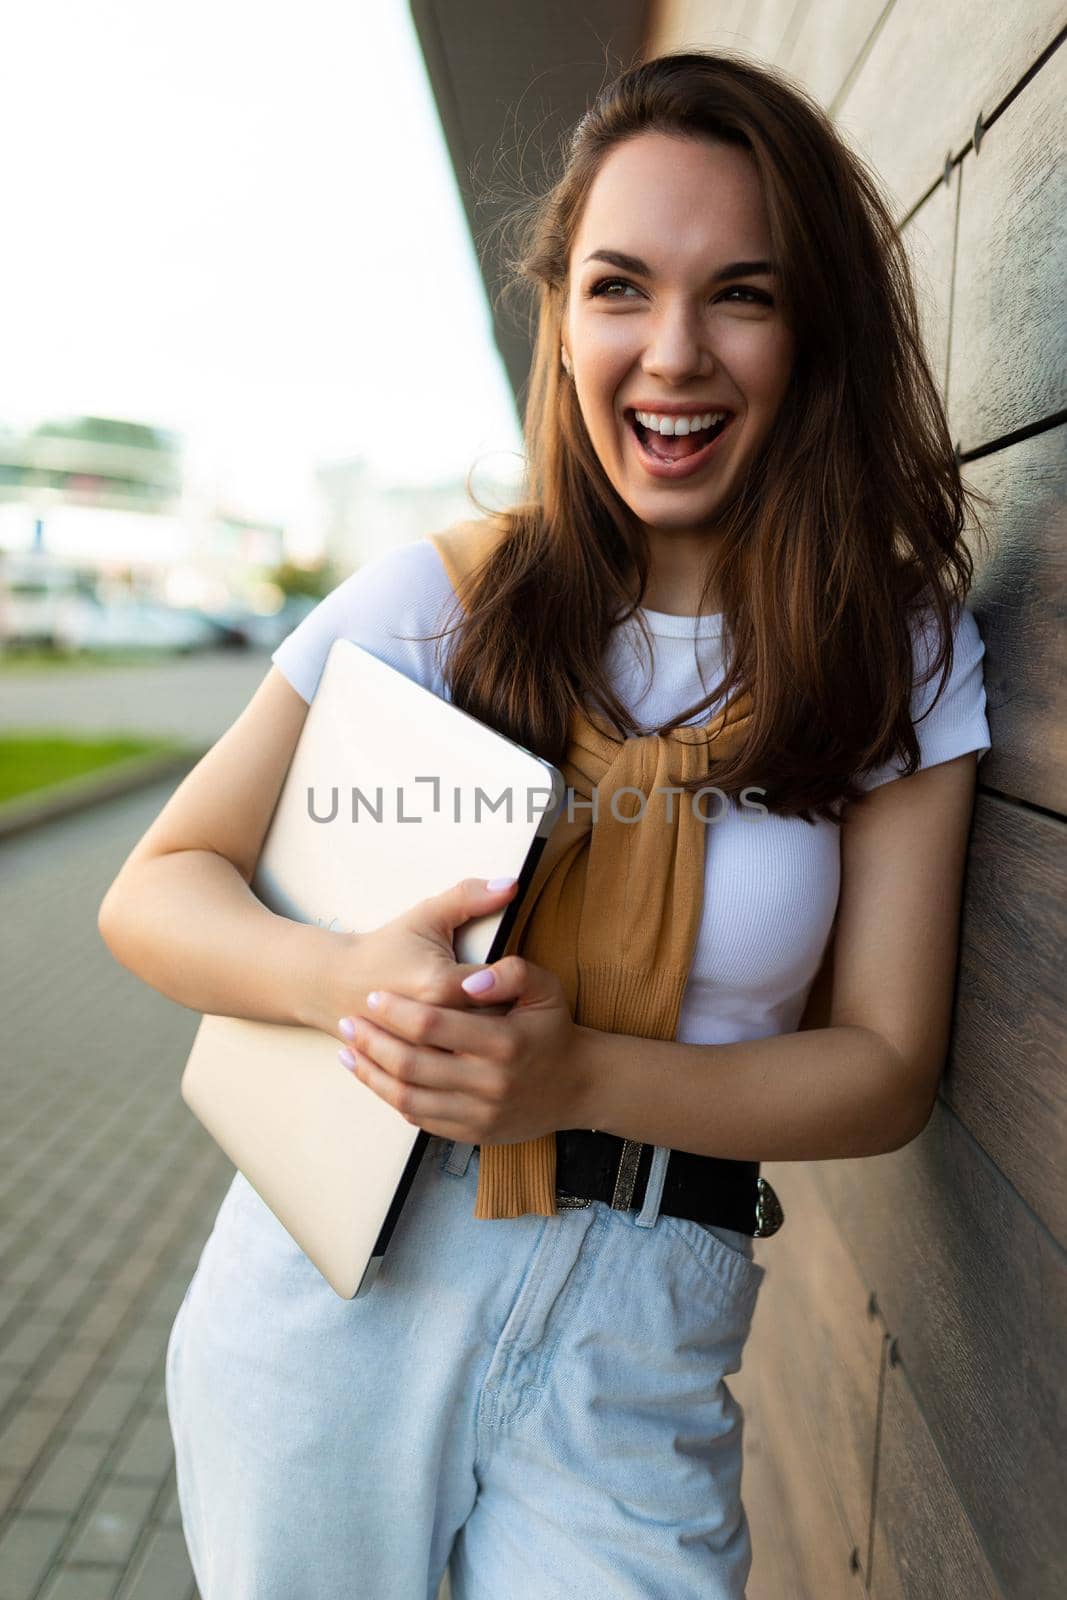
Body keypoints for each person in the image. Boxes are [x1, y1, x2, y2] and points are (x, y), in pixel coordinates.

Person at [97, 49, 993, 1600]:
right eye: (621, 289)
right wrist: (351, 981)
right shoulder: (442, 602)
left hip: (646, 1330)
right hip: (346, 1292)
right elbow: (154, 888)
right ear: (561, 316)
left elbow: (886, 1067)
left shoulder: (896, 648)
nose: (674, 355)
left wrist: (581, 1075)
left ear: (815, 325)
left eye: (744, 295)